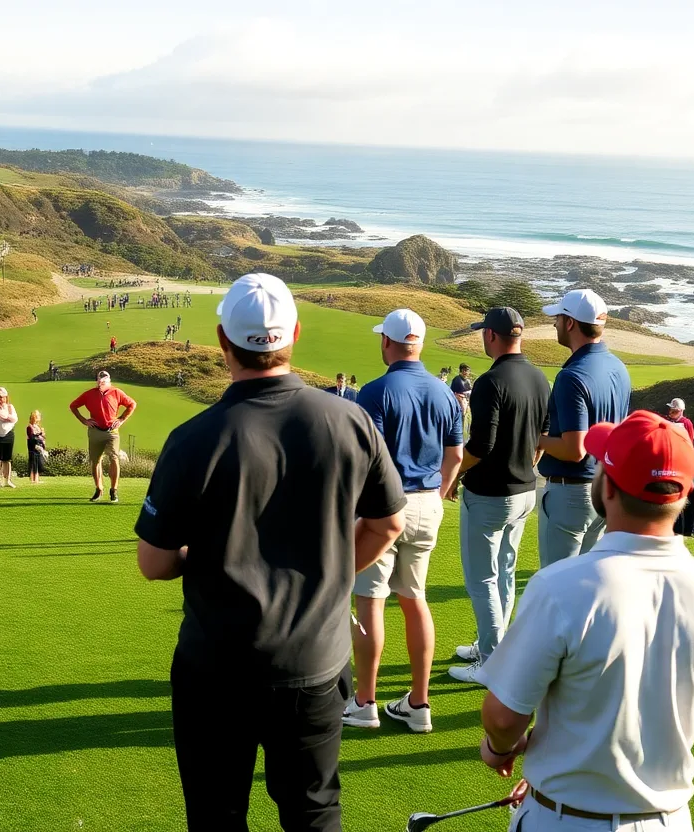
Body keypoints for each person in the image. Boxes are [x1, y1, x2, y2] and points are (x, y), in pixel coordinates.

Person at [134, 272, 406, 831]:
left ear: (221, 341)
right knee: (312, 813)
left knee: (216, 816)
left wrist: (204, 559)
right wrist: (332, 571)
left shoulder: (193, 438)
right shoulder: (349, 421)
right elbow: (387, 524)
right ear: (295, 334)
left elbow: (154, 562)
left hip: (215, 667)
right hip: (314, 664)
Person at [476, 411, 694, 832]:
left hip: (563, 819)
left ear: (607, 488)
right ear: (683, 492)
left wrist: (499, 749)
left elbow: (503, 717)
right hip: (669, 820)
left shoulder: (562, 586)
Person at [345, 309, 463, 734]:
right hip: (429, 504)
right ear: (420, 344)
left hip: (384, 509)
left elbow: (367, 460)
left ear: (387, 343)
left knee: (370, 601)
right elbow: (455, 456)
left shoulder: (375, 392)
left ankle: (365, 703)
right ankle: (418, 703)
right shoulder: (445, 392)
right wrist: (439, 493)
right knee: (414, 598)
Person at [443, 308, 550, 684]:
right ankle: (496, 645)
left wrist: (453, 474)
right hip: (525, 491)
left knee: (482, 579)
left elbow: (481, 444)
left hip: (490, 494)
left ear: (491, 335)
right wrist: (525, 466)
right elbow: (540, 440)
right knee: (504, 571)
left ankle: (492, 661)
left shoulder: (490, 381)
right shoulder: (539, 378)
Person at [537, 289, 632, 568]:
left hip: (572, 494)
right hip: (605, 488)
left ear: (570, 323)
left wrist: (535, 439)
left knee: (557, 584)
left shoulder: (571, 376)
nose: (554, 323)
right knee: (588, 582)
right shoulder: (618, 367)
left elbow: (574, 449)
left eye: (558, 318)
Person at [69, 371, 136, 504]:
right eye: (99, 381)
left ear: (109, 381)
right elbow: (73, 406)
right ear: (97, 382)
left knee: (114, 458)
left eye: (104, 381)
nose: (101, 383)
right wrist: (84, 420)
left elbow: (132, 404)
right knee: (95, 461)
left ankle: (113, 490)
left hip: (112, 431)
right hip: (95, 431)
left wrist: (122, 419)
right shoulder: (89, 394)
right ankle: (99, 488)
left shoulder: (117, 392)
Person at [0, 386, 18, 488]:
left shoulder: (10, 407)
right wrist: (7, 417)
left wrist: (5, 417)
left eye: (4, 397)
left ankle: (7, 480)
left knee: (7, 459)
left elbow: (14, 419)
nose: (3, 399)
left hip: (8, 434)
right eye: (1, 397)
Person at [26, 410, 46, 484]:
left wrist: (42, 436)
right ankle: (33, 479)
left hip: (39, 447)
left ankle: (37, 479)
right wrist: (39, 435)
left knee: (38, 463)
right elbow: (31, 437)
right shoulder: (29, 427)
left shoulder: (38, 427)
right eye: (38, 416)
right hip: (33, 447)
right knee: (33, 463)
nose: (39, 418)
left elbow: (42, 437)